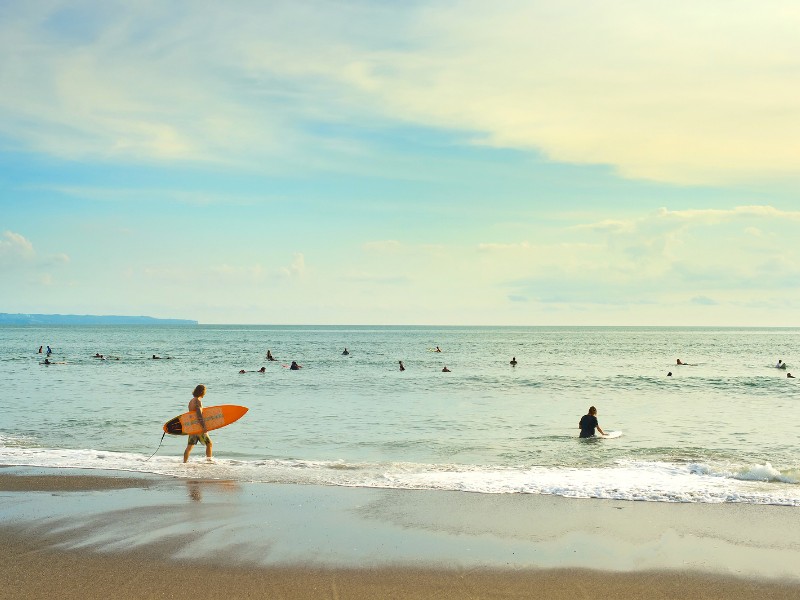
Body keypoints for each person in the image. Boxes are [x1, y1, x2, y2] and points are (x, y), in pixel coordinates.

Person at [184, 384, 212, 463]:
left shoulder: (191, 401)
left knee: (189, 447)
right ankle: (209, 461)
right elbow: (199, 415)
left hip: (193, 427)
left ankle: (184, 463)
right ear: (202, 392)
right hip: (199, 428)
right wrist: (204, 427)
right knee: (209, 444)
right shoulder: (198, 401)